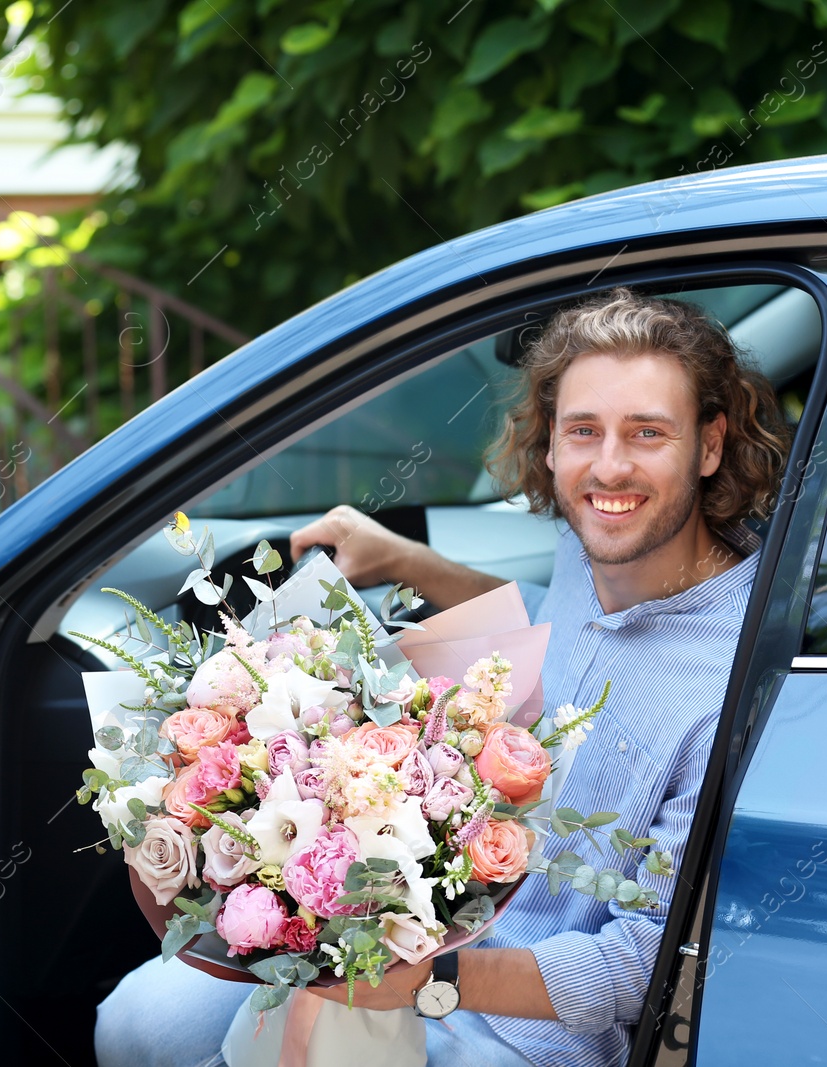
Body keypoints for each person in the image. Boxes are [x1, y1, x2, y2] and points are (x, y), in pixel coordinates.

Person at [94, 287, 790, 1067]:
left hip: (523, 1025)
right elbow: (550, 624)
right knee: (136, 1023)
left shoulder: (739, 673)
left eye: (647, 433)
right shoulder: (593, 542)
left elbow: (643, 965)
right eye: (584, 430)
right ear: (552, 444)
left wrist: (430, 978)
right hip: (409, 932)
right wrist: (402, 559)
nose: (610, 466)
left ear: (708, 444)